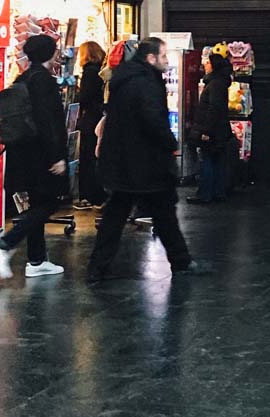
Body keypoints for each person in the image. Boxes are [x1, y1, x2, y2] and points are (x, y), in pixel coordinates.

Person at [87, 37, 210, 284]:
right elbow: (153, 120)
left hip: (125, 163)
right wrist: (169, 144)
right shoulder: (145, 83)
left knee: (118, 215)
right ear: (151, 58)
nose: (166, 61)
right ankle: (181, 261)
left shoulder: (124, 80)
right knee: (164, 214)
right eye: (163, 56)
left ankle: (97, 267)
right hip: (145, 164)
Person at [0, 33, 67, 281]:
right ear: (49, 53)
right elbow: (47, 121)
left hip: (23, 153)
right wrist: (56, 156)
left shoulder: (24, 78)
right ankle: (3, 244)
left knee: (38, 203)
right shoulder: (44, 81)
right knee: (48, 203)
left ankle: (37, 260)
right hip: (41, 155)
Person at [188, 43, 232, 204]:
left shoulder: (214, 85)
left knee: (207, 161)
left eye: (207, 63)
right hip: (220, 131)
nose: (204, 65)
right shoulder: (220, 83)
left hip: (212, 131)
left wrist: (206, 131)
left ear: (213, 66)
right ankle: (218, 192)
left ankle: (205, 193)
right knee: (218, 161)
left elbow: (214, 108)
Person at [76, 41, 106, 207]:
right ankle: (98, 193)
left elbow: (85, 97)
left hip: (90, 120)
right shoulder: (101, 71)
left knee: (88, 157)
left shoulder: (89, 72)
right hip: (98, 118)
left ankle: (90, 194)